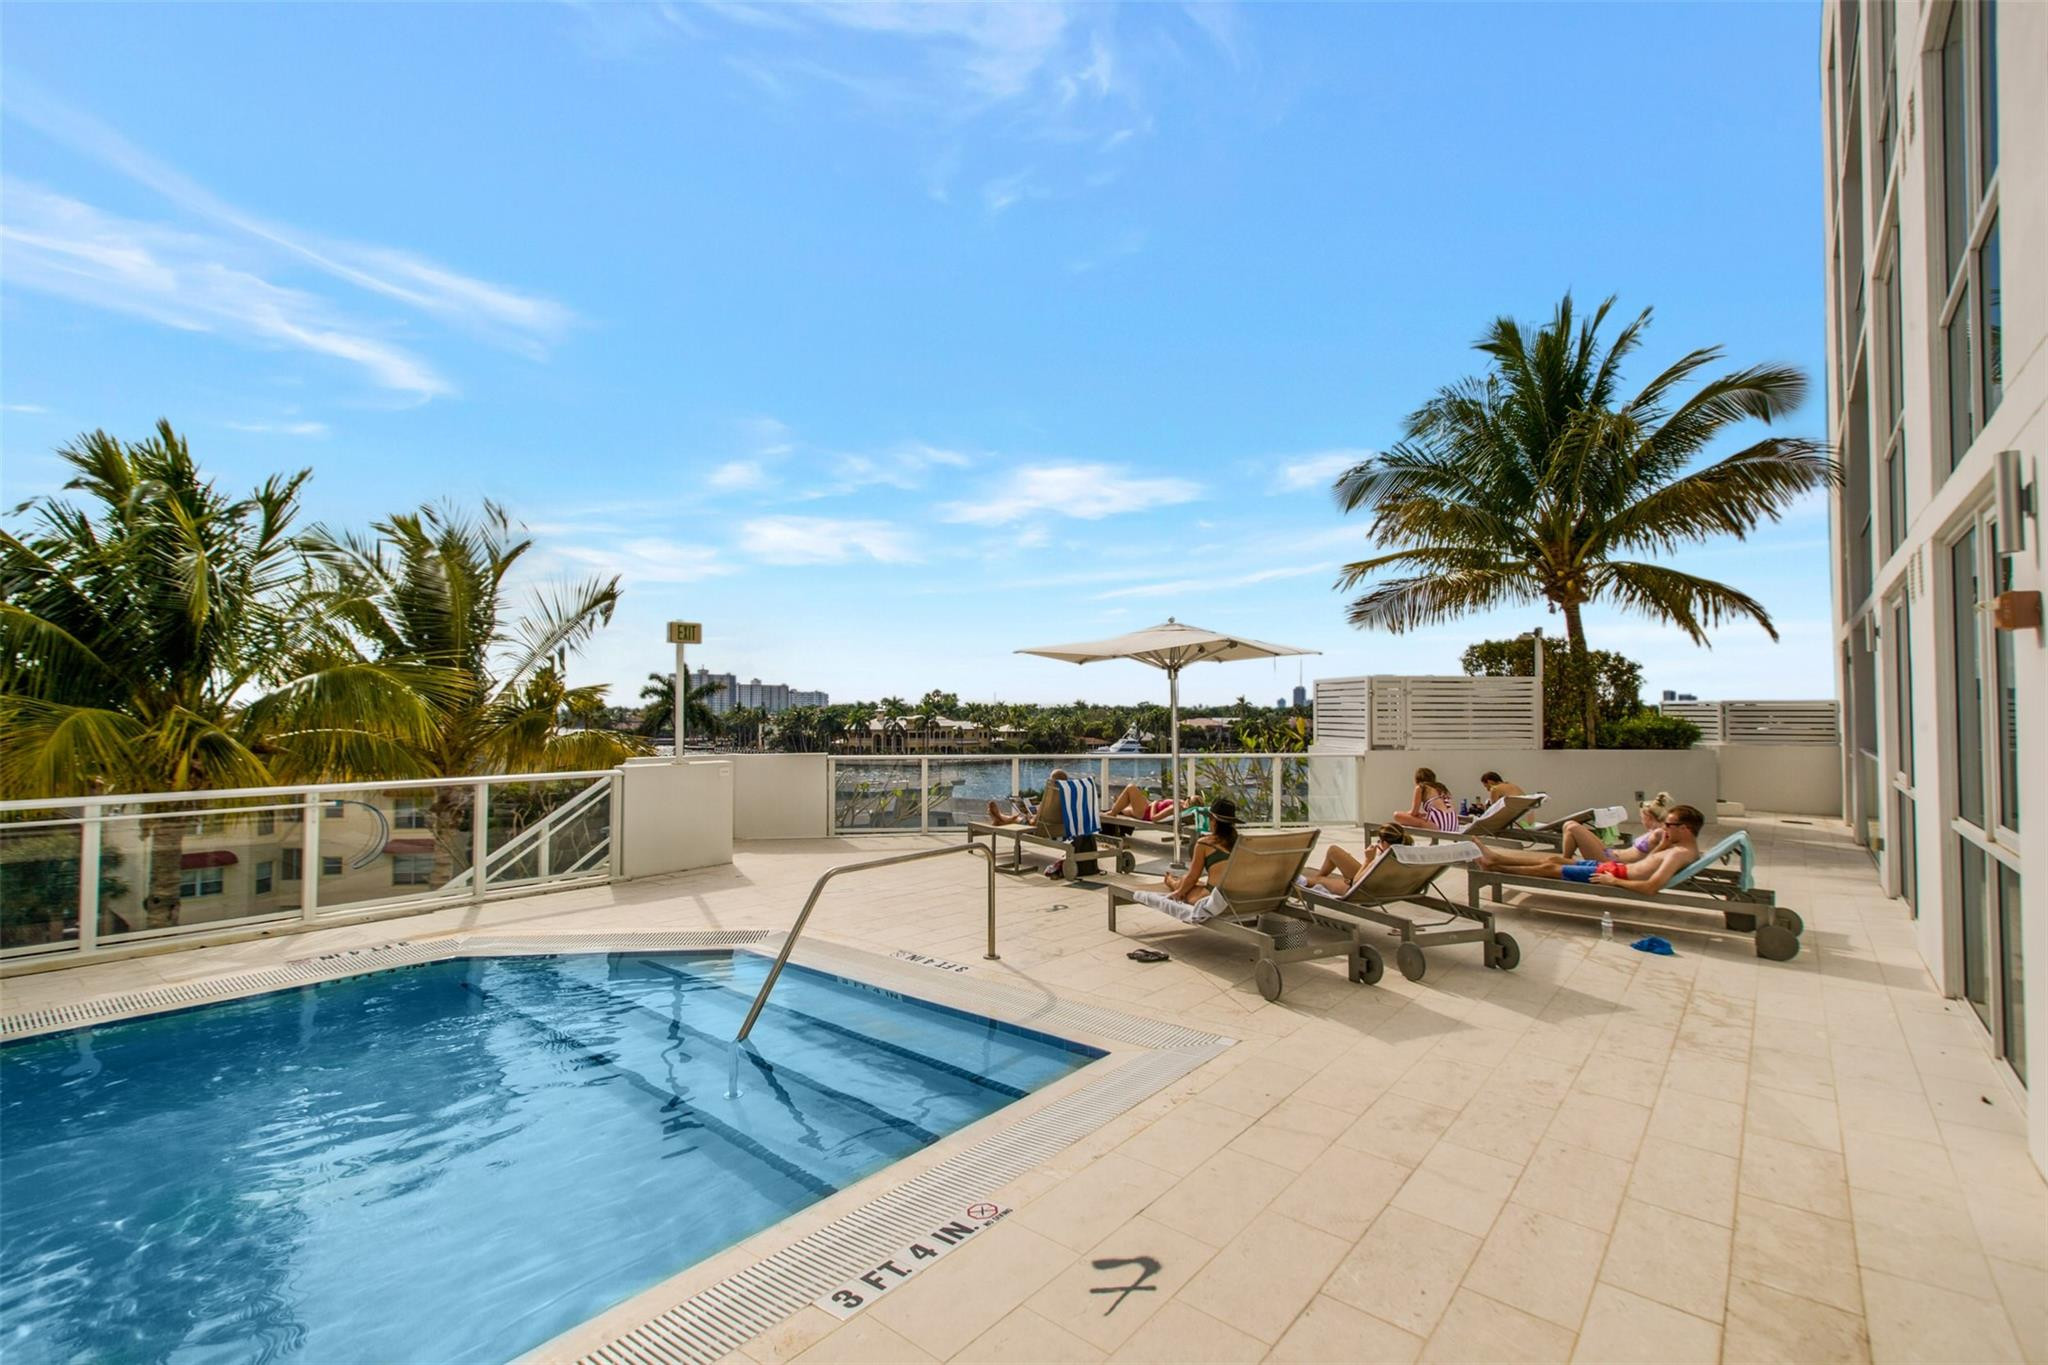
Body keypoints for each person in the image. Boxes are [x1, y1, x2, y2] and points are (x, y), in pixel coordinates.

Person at [1476, 804, 1710, 893]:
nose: (1665, 828)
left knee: (1549, 867)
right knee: (1557, 860)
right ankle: (1496, 856)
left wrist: (1614, 882)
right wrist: (1666, 839)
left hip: (1612, 875)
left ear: (1686, 828)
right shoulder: (1676, 846)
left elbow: (1651, 887)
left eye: (1670, 825)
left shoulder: (1679, 854)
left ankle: (1494, 867)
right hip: (1612, 866)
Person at [1130, 798, 1238, 923]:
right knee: (1195, 883)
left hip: (1216, 899)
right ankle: (1175, 881)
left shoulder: (1205, 843)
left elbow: (1192, 877)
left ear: (1213, 820)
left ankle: (1172, 882)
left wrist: (1178, 893)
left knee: (1187, 884)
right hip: (1238, 894)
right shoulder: (1239, 842)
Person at [1555, 791, 1673, 862]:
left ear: (1648, 817)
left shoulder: (1660, 833)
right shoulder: (1656, 831)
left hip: (1610, 861)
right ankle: (1566, 860)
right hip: (1611, 854)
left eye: (1642, 818)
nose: (1642, 821)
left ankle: (1565, 861)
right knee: (1570, 825)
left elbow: (1658, 856)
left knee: (1571, 827)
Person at [1297, 823, 1409, 896]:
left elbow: (1355, 883)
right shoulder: (1407, 854)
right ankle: (1317, 879)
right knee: (1333, 851)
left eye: (1379, 841)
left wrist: (1368, 860)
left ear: (1384, 843)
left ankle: (1305, 882)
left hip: (1363, 892)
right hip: (1375, 884)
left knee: (1319, 881)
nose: (1378, 844)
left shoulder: (1382, 861)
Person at [1391, 768, 1459, 833]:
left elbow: (1413, 812)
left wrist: (1410, 814)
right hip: (1453, 825)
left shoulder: (1421, 787)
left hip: (1438, 826)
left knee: (1397, 815)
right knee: (1423, 817)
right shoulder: (1442, 788)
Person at [1104, 784, 1185, 825]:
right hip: (1146, 809)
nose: (1186, 799)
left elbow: (1154, 818)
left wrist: (1154, 803)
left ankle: (1113, 812)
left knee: (1131, 788)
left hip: (1145, 812)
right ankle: (1116, 805)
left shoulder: (1175, 807)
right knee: (1124, 808)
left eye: (1189, 799)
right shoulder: (1181, 804)